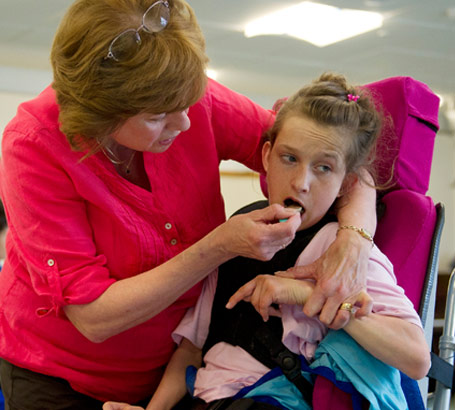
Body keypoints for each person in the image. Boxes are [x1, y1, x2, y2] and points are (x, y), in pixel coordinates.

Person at [0, 0, 376, 407]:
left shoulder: (184, 96)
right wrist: (220, 246)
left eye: (188, 101)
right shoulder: (34, 148)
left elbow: (333, 156)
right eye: (159, 115)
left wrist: (353, 242)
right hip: (62, 375)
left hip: (174, 371)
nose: (186, 123)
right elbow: (93, 317)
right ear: (101, 115)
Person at [104, 73, 430, 410]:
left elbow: (417, 358)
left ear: (345, 183)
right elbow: (191, 349)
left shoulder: (339, 251)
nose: (301, 182)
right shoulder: (237, 231)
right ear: (266, 157)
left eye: (323, 168)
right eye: (289, 159)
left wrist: (305, 294)